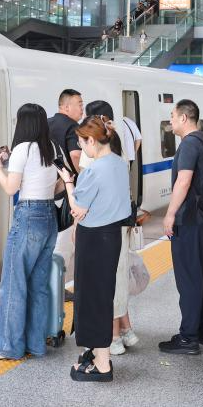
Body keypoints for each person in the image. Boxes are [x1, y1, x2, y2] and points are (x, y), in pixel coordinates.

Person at [58, 117, 132, 382]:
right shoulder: (119, 163)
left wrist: (68, 182)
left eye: (81, 142)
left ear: (91, 140)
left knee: (92, 299)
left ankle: (102, 365)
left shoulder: (94, 170)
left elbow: (78, 209)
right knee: (102, 295)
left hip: (93, 239)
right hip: (111, 236)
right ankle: (97, 353)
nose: (81, 147)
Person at [0, 104, 61, 361]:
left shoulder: (22, 149)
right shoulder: (52, 148)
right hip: (49, 216)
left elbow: (11, 188)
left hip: (28, 215)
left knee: (13, 283)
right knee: (38, 286)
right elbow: (60, 184)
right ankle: (36, 344)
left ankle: (8, 347)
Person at [81, 100, 141, 357]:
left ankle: (113, 336)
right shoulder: (120, 143)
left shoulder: (95, 154)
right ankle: (125, 329)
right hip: (121, 222)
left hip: (101, 226)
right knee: (118, 274)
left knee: (106, 280)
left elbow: (84, 200)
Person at [160, 99, 203, 355]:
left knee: (189, 278)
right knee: (202, 274)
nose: (170, 121)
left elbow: (183, 181)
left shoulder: (189, 144)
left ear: (184, 118)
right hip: (202, 220)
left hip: (189, 220)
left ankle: (188, 337)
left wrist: (170, 214)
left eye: (172, 116)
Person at [49, 89, 84, 174]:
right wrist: (82, 175)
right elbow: (75, 155)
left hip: (49, 177)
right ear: (67, 107)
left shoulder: (46, 122)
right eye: (80, 105)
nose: (82, 108)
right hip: (68, 178)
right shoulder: (73, 126)